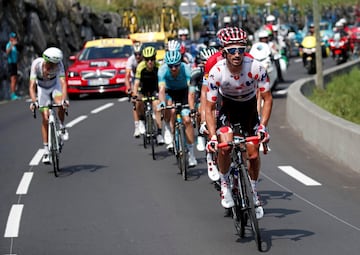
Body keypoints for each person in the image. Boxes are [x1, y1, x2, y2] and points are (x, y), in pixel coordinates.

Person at [205, 27, 272, 219]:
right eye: (232, 50)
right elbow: (209, 108)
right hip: (228, 109)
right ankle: (225, 184)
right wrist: (211, 137)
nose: (237, 54)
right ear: (224, 51)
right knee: (225, 147)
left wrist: (263, 127)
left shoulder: (256, 67)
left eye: (241, 50)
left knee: (252, 153)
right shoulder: (217, 72)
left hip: (249, 109)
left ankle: (253, 191)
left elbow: (267, 98)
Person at [29, 47, 69, 164]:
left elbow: (63, 82)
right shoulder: (36, 65)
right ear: (46, 61)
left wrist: (64, 100)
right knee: (45, 118)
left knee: (59, 104)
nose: (54, 66)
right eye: (52, 64)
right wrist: (34, 101)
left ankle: (61, 126)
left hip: (54, 86)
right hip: (42, 89)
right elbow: (32, 86)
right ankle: (46, 150)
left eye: (56, 64)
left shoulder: (59, 64)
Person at [158, 50, 197, 167]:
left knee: (187, 120)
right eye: (171, 66)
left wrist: (191, 107)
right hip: (170, 92)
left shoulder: (186, 69)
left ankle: (191, 154)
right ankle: (169, 131)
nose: (174, 68)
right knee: (171, 109)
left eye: (176, 65)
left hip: (184, 92)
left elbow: (191, 91)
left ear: (180, 63)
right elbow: (161, 90)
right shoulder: (162, 70)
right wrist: (162, 103)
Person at [132, 46, 164, 145]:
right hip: (143, 88)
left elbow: (162, 83)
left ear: (155, 58)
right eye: (147, 59)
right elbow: (136, 83)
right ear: (144, 59)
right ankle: (141, 120)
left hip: (154, 88)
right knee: (138, 101)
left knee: (157, 105)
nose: (150, 61)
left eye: (152, 59)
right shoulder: (141, 66)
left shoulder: (159, 66)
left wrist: (161, 95)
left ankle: (159, 133)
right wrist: (134, 95)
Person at [191, 47, 218, 152]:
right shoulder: (196, 73)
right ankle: (201, 135)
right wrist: (202, 120)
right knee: (199, 109)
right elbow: (193, 94)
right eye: (206, 63)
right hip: (201, 96)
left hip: (217, 96)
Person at [125, 41, 144, 138]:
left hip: (145, 80)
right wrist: (129, 89)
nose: (137, 56)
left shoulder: (146, 59)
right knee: (135, 102)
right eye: (135, 54)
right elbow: (127, 76)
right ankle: (137, 126)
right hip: (135, 81)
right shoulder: (131, 60)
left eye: (139, 54)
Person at [5, 32, 20, 100]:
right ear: (10, 38)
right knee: (13, 78)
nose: (14, 38)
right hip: (10, 64)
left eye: (15, 37)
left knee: (15, 78)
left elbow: (16, 55)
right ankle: (12, 94)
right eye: (13, 37)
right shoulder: (9, 44)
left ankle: (14, 92)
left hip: (14, 63)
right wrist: (12, 45)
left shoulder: (15, 47)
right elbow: (7, 52)